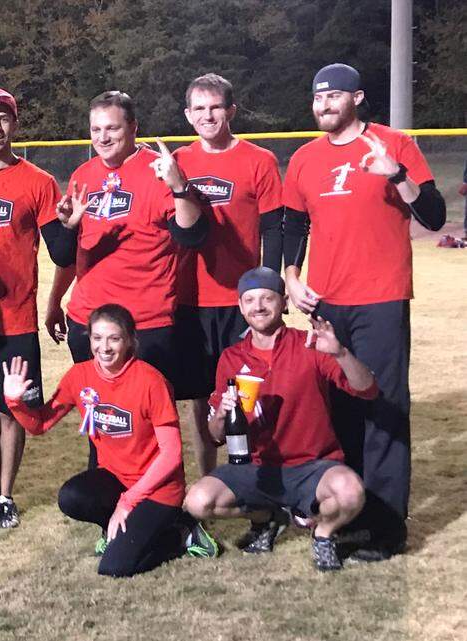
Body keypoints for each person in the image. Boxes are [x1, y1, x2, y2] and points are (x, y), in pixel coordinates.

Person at [282, 63, 446, 560]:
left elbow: (435, 217)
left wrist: (396, 175)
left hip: (380, 295)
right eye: (317, 98)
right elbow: (293, 225)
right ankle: (347, 513)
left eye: (334, 96)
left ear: (356, 98)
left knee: (384, 408)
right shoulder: (305, 158)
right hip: (328, 302)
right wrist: (291, 277)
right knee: (341, 413)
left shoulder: (394, 144)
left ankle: (386, 528)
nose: (324, 105)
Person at [2, 304, 218, 578]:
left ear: (129, 341)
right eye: (97, 338)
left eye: (114, 338)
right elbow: (40, 425)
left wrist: (128, 502)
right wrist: (15, 402)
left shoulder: (151, 381)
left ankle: (181, 533)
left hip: (158, 490)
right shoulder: (79, 376)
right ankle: (119, 529)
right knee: (72, 497)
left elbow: (172, 455)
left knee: (114, 566)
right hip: (116, 481)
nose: (104, 347)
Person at [183, 267, 375, 571]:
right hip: (257, 469)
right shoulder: (232, 358)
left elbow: (367, 389)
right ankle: (267, 518)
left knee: (350, 493)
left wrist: (340, 353)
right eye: (249, 300)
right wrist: (220, 413)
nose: (258, 306)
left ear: (283, 303)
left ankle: (323, 534)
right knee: (198, 501)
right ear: (241, 307)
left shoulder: (310, 345)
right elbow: (215, 435)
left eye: (267, 298)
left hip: (313, 465)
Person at [0, 88, 76, 528]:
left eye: (4, 118)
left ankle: (4, 497)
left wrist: (71, 227)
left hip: (14, 319)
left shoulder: (38, 182)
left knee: (11, 411)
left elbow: (62, 253)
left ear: (14, 125)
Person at [46, 92, 207, 389]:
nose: (103, 137)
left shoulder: (158, 170)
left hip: (144, 325)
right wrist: (68, 228)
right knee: (100, 421)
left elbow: (192, 235)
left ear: (134, 128)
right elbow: (64, 256)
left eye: (112, 128)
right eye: (96, 129)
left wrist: (179, 187)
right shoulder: (84, 174)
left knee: (148, 425)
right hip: (88, 321)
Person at [171, 74, 284, 476]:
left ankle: (252, 476)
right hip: (191, 299)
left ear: (231, 110)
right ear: (187, 115)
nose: (208, 115)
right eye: (199, 108)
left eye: (215, 106)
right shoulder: (179, 163)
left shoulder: (259, 160)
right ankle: (208, 481)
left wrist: (271, 285)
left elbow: (274, 226)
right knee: (200, 397)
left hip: (241, 302)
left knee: (247, 393)